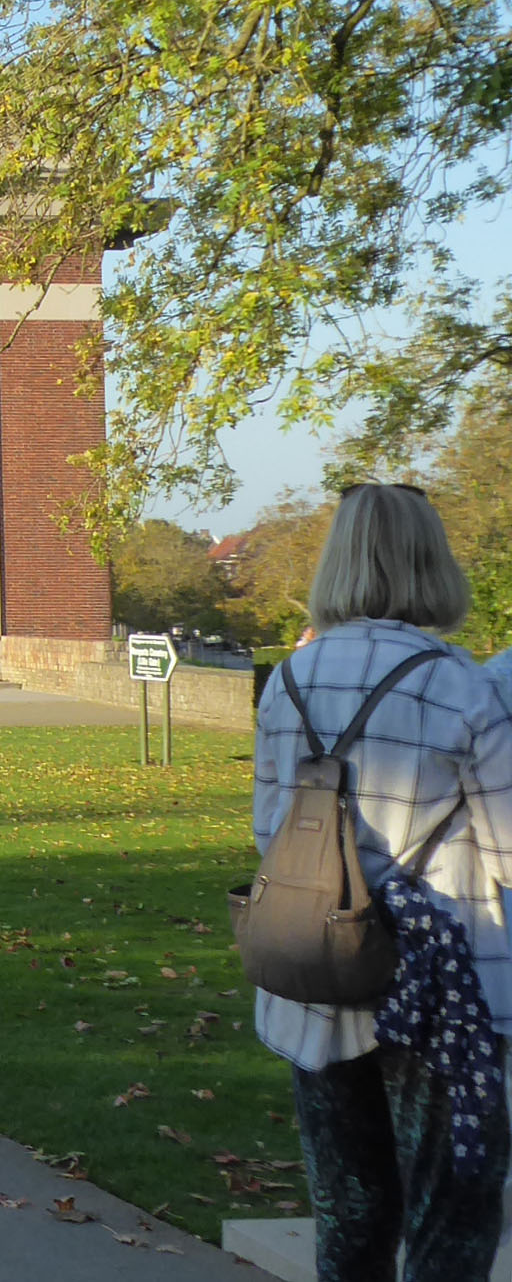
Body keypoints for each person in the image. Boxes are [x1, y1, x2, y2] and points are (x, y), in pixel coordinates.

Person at [256, 483, 512, 1281]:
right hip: (442, 995)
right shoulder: (461, 687)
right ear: (430, 562)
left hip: (316, 974)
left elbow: (274, 833)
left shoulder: (287, 684)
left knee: (350, 1219)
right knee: (450, 1223)